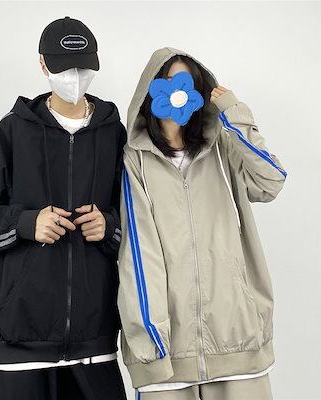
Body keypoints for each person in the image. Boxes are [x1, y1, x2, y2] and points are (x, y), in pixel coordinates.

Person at [0, 16, 127, 400]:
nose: (75, 76)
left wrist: (110, 226)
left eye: (83, 67)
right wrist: (24, 223)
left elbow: (142, 218)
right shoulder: (14, 129)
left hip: (94, 339)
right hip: (20, 341)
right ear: (43, 65)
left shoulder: (113, 133)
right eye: (65, 68)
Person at [117, 47, 287, 399]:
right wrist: (150, 342)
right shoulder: (135, 161)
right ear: (151, 87)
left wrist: (236, 115)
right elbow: (139, 253)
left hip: (237, 341)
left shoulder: (223, 147)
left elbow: (270, 182)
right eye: (169, 81)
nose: (178, 91)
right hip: (169, 354)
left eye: (188, 83)